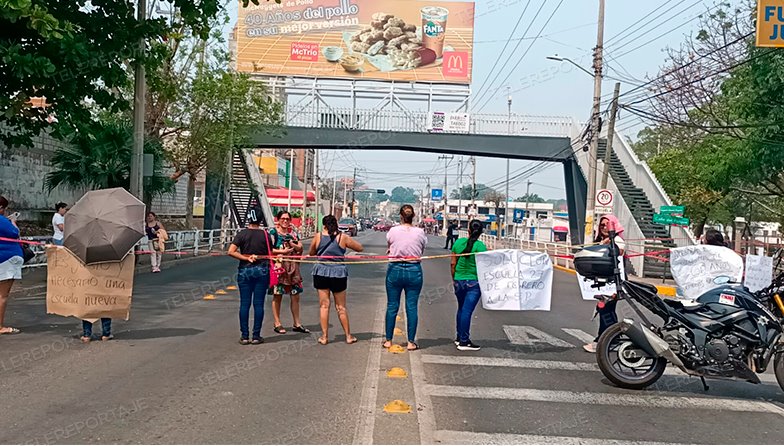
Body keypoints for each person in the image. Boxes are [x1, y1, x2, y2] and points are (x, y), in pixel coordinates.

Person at [228, 212, 292, 345]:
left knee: (244, 304)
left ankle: (244, 336)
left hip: (245, 270)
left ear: (249, 220)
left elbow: (231, 251)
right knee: (258, 304)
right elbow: (270, 252)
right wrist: (282, 253)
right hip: (262, 270)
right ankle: (256, 336)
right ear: (261, 221)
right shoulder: (265, 235)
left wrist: (246, 257)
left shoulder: (242, 234)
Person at [309, 215, 364, 345]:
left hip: (321, 272)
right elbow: (359, 248)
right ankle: (348, 336)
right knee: (341, 307)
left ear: (324, 225)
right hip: (338, 273)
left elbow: (312, 252)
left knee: (324, 306)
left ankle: (324, 336)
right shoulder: (342, 237)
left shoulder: (318, 236)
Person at [383, 205, 427, 351]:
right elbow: (421, 249)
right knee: (412, 306)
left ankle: (388, 340)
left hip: (395, 269)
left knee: (392, 305)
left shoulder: (393, 230)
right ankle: (410, 342)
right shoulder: (420, 232)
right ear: (413, 216)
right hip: (414, 270)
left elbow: (390, 244)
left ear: (400, 216)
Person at [583, 214, 626, 353]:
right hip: (604, 283)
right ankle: (609, 339)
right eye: (601, 225)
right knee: (605, 310)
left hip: (613, 283)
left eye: (607, 224)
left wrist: (609, 243)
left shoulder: (617, 240)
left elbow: (619, 251)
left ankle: (606, 340)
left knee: (606, 309)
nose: (604, 227)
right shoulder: (602, 241)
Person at [268, 211, 309, 335]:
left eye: (287, 219)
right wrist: (283, 252)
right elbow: (269, 249)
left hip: (293, 268)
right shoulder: (273, 233)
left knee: (295, 296)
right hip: (279, 268)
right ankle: (277, 322)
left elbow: (300, 247)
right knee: (278, 295)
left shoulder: (293, 233)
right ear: (278, 219)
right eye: (283, 218)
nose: (285, 221)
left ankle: (297, 323)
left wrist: (293, 245)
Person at [451, 219, 488, 351]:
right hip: (473, 282)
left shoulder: (458, 243)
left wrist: (454, 279)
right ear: (481, 232)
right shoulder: (481, 247)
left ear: (469, 230)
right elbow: (485, 267)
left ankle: (459, 337)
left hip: (459, 280)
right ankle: (464, 342)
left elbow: (453, 263)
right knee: (467, 311)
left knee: (461, 309)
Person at [0, 196, 23, 335]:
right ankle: (0, 326)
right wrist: (13, 222)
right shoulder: (2, 220)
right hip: (7, 258)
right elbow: (15, 233)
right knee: (3, 295)